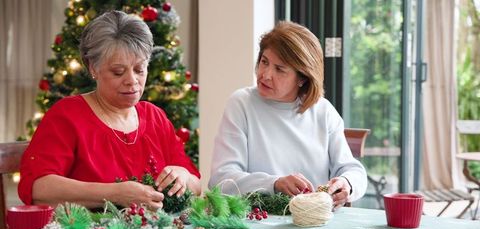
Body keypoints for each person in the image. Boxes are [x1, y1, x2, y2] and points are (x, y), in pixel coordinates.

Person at [18, 10, 201, 210]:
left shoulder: (154, 116)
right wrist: (114, 194)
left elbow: (196, 184)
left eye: (140, 69)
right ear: (92, 68)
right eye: (118, 71)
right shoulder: (67, 115)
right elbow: (38, 188)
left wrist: (182, 176)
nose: (132, 81)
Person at [208, 21, 367, 209]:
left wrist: (346, 184)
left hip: (315, 222)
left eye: (280, 69)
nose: (265, 74)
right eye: (264, 62)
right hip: (260, 222)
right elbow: (221, 180)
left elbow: (352, 170)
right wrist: (274, 184)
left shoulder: (323, 111)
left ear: (302, 78)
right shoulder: (241, 103)